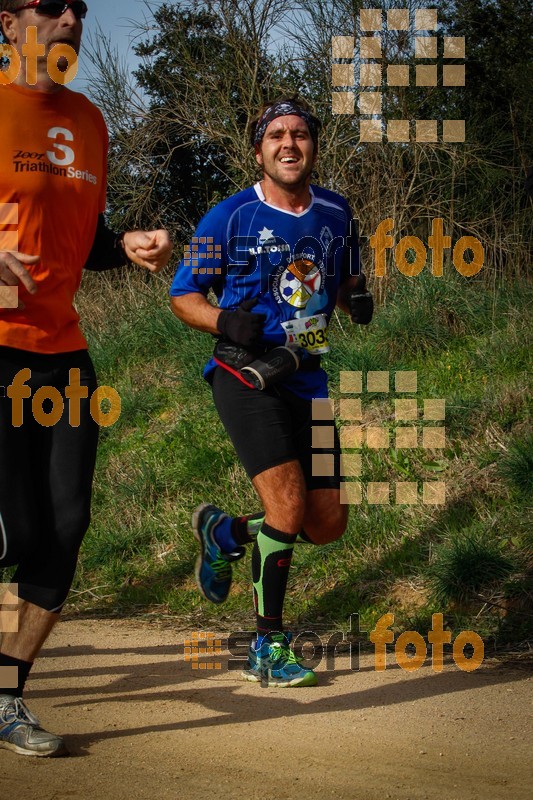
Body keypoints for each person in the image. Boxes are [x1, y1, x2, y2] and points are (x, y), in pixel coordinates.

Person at [0, 0, 172, 757]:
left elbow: (84, 237)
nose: (69, 14)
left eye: (79, 5)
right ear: (7, 22)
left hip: (62, 349)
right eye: (48, 3)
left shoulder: (91, 120)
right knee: (17, 531)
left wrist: (124, 244)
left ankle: (6, 695)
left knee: (64, 529)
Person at [170, 97, 373, 687]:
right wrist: (223, 322)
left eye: (300, 134)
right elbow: (184, 296)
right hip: (247, 377)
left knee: (326, 522)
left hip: (309, 378)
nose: (289, 144)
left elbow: (344, 280)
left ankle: (224, 532)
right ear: (258, 149)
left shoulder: (337, 213)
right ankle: (267, 645)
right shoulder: (227, 218)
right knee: (286, 507)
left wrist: (354, 299)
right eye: (276, 135)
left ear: (314, 145)